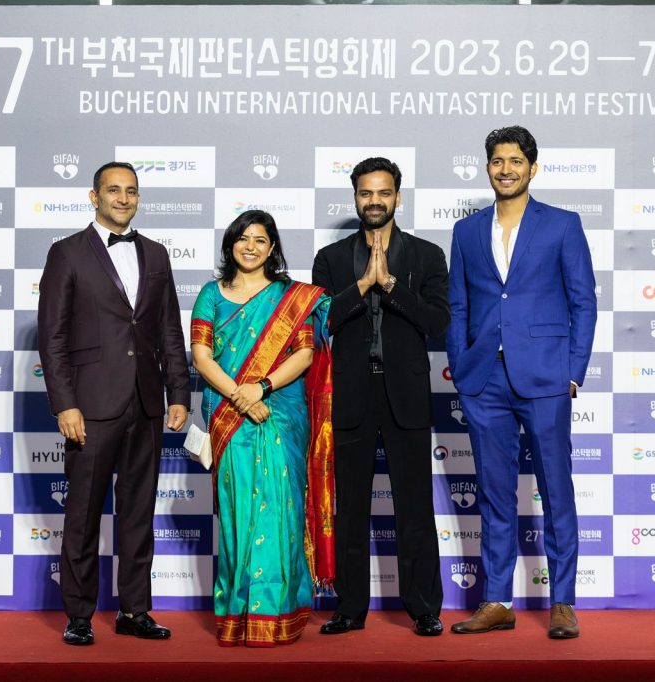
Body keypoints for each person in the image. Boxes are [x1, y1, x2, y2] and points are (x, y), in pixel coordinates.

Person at [446, 126, 597, 639]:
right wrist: (463, 369)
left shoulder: (561, 225)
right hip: (484, 379)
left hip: (547, 377)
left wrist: (573, 373)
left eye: (515, 160)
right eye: (496, 161)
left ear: (533, 167)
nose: (505, 169)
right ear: (487, 168)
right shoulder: (466, 232)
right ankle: (496, 600)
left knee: (557, 490)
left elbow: (583, 301)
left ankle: (563, 602)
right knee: (493, 492)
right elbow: (460, 307)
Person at [38, 161, 190, 646]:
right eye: (113, 190)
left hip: (146, 402)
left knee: (138, 514)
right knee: (82, 514)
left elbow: (169, 329)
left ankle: (134, 611)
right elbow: (53, 337)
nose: (123, 198)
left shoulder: (156, 253)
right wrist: (65, 403)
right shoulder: (66, 253)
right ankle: (79, 615)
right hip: (90, 406)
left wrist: (179, 392)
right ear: (94, 196)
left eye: (131, 191)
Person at [312, 157, 449, 637]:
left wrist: (389, 285)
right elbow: (321, 321)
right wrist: (362, 285)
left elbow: (437, 322)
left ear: (398, 197)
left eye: (383, 193)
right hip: (349, 393)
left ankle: (423, 607)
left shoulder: (427, 256)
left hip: (406, 395)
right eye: (366, 194)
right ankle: (349, 608)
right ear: (355, 198)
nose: (375, 201)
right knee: (349, 507)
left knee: (414, 505)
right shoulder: (329, 260)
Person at [191, 209, 333, 647]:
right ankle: (237, 616)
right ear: (230, 244)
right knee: (238, 515)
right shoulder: (210, 294)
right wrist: (241, 395)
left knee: (281, 511)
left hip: (281, 412)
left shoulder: (293, 297)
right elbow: (201, 356)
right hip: (231, 417)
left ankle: (277, 614)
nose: (250, 246)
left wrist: (262, 387)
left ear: (272, 248)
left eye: (260, 239)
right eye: (242, 238)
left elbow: (306, 355)